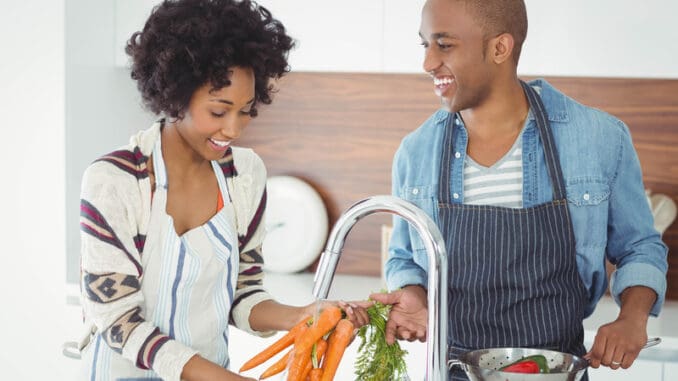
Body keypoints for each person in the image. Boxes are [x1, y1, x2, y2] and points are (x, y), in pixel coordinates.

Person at [370, 0, 669, 380]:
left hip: (558, 371)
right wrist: (412, 291)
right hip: (453, 371)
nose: (428, 63)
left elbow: (639, 246)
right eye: (424, 45)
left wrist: (632, 318)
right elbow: (404, 257)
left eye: (444, 45)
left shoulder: (597, 138)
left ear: (499, 48)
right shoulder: (417, 151)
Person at [76, 1, 368, 380]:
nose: (233, 129)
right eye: (218, 111)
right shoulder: (116, 181)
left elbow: (242, 293)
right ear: (176, 95)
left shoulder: (244, 175)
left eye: (246, 110)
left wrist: (301, 314)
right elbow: (118, 321)